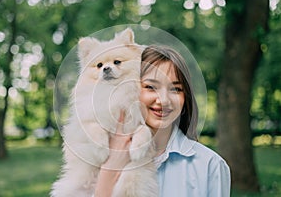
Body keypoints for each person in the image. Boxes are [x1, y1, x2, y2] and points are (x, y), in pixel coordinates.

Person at [94, 45, 231, 197]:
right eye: (151, 87)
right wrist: (108, 173)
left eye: (176, 89)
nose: (164, 100)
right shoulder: (94, 155)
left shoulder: (210, 166)